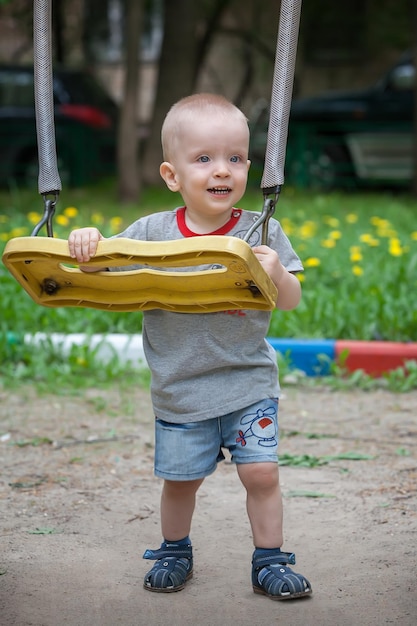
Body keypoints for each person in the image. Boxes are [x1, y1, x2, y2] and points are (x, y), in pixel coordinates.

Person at [68, 93, 312, 601]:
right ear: (171, 174)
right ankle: (174, 549)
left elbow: (290, 298)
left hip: (248, 382)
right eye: (203, 158)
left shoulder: (260, 229)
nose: (222, 169)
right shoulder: (152, 233)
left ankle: (270, 560)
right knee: (181, 482)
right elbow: (100, 268)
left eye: (236, 157)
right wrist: (87, 240)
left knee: (262, 473)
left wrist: (274, 273)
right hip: (181, 388)